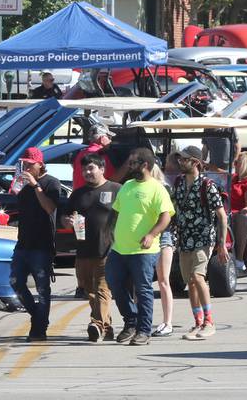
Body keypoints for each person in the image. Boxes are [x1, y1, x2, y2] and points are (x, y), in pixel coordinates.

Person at [106, 147, 174, 346]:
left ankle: (143, 330)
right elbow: (116, 211)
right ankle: (131, 321)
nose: (130, 166)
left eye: (133, 163)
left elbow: (166, 216)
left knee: (143, 290)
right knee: (114, 282)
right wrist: (111, 231)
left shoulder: (157, 188)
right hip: (120, 248)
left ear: (144, 165)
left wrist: (152, 234)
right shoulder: (127, 185)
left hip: (143, 250)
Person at [171, 145, 229, 340]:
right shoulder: (178, 183)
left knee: (198, 277)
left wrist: (221, 243)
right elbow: (173, 210)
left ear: (195, 162)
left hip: (203, 237)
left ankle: (209, 321)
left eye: (184, 159)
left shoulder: (207, 185)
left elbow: (221, 215)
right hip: (184, 238)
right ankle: (198, 322)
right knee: (191, 283)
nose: (180, 162)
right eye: (179, 159)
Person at [63, 154, 120, 343]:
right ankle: (107, 327)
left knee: (103, 290)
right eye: (84, 169)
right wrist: (68, 221)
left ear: (102, 169)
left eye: (91, 168)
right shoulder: (77, 194)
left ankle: (96, 324)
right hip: (83, 251)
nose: (87, 172)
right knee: (90, 291)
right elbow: (64, 218)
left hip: (108, 249)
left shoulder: (116, 190)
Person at [9, 147, 61, 342]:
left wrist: (35, 185)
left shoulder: (51, 183)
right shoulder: (23, 183)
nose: (27, 167)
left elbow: (50, 208)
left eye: (31, 164)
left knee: (42, 288)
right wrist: (19, 185)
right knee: (16, 282)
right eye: (25, 164)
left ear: (40, 164)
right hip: (23, 242)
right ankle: (37, 316)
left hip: (42, 244)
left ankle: (39, 328)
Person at [151, 153, 180, 338]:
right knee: (142, 282)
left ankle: (167, 322)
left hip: (163, 235)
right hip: (144, 236)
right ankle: (142, 319)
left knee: (163, 280)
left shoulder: (164, 188)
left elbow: (170, 215)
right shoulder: (135, 186)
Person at [72, 124, 118, 189]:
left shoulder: (80, 154)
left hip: (77, 196)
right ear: (102, 139)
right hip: (92, 196)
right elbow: (114, 179)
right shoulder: (100, 154)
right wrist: (128, 163)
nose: (110, 141)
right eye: (109, 137)